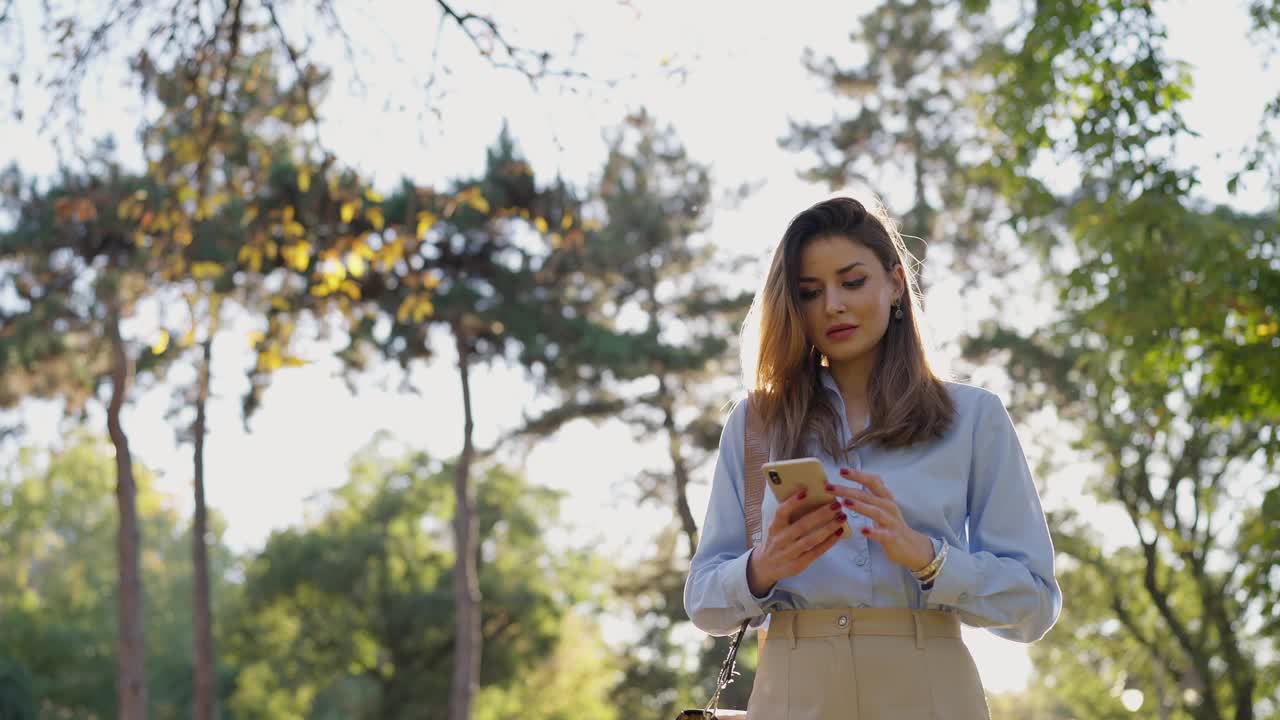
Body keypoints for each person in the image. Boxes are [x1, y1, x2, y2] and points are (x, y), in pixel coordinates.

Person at [683, 196, 1061, 719]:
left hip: (932, 692)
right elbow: (703, 601)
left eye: (852, 281)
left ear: (895, 282)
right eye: (809, 293)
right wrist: (763, 567)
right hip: (795, 696)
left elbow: (1034, 606)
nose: (832, 305)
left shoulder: (976, 417)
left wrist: (930, 559)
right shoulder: (755, 424)